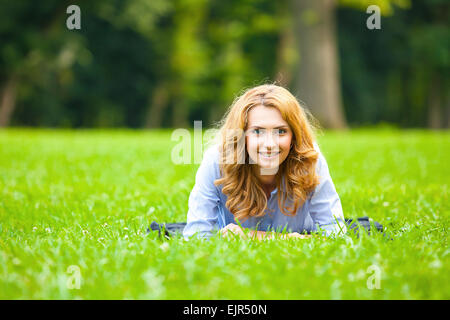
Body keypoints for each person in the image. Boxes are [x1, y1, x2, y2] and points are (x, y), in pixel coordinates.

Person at [182, 84, 347, 241]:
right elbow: (195, 237)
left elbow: (336, 236)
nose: (269, 144)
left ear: (294, 137)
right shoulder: (216, 161)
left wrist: (254, 236)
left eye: (281, 131)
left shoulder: (309, 159)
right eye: (257, 131)